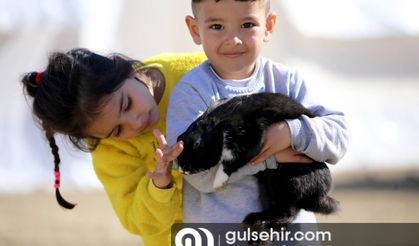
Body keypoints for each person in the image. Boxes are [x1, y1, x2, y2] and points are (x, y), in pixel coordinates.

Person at [166, 0, 350, 224]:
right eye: (217, 26)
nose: (233, 40)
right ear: (195, 30)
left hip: (293, 233)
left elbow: (339, 137)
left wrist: (290, 133)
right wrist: (268, 157)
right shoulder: (192, 91)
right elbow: (195, 173)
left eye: (247, 25)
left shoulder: (287, 81)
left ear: (269, 26)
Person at [21, 48, 206, 246]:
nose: (135, 123)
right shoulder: (108, 150)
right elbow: (135, 219)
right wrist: (160, 186)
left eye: (127, 104)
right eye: (117, 130)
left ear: (123, 67)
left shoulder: (195, 71)